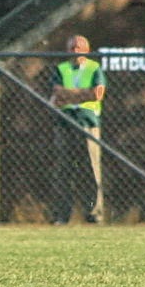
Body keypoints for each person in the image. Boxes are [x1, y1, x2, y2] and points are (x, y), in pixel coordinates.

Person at [48, 34, 107, 224]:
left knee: (91, 168)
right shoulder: (61, 69)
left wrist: (70, 95)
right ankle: (62, 215)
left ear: (87, 50)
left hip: (88, 122)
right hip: (64, 122)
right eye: (72, 48)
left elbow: (97, 94)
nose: (76, 51)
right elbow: (57, 94)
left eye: (79, 47)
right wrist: (83, 94)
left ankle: (95, 214)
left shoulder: (94, 68)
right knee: (63, 170)